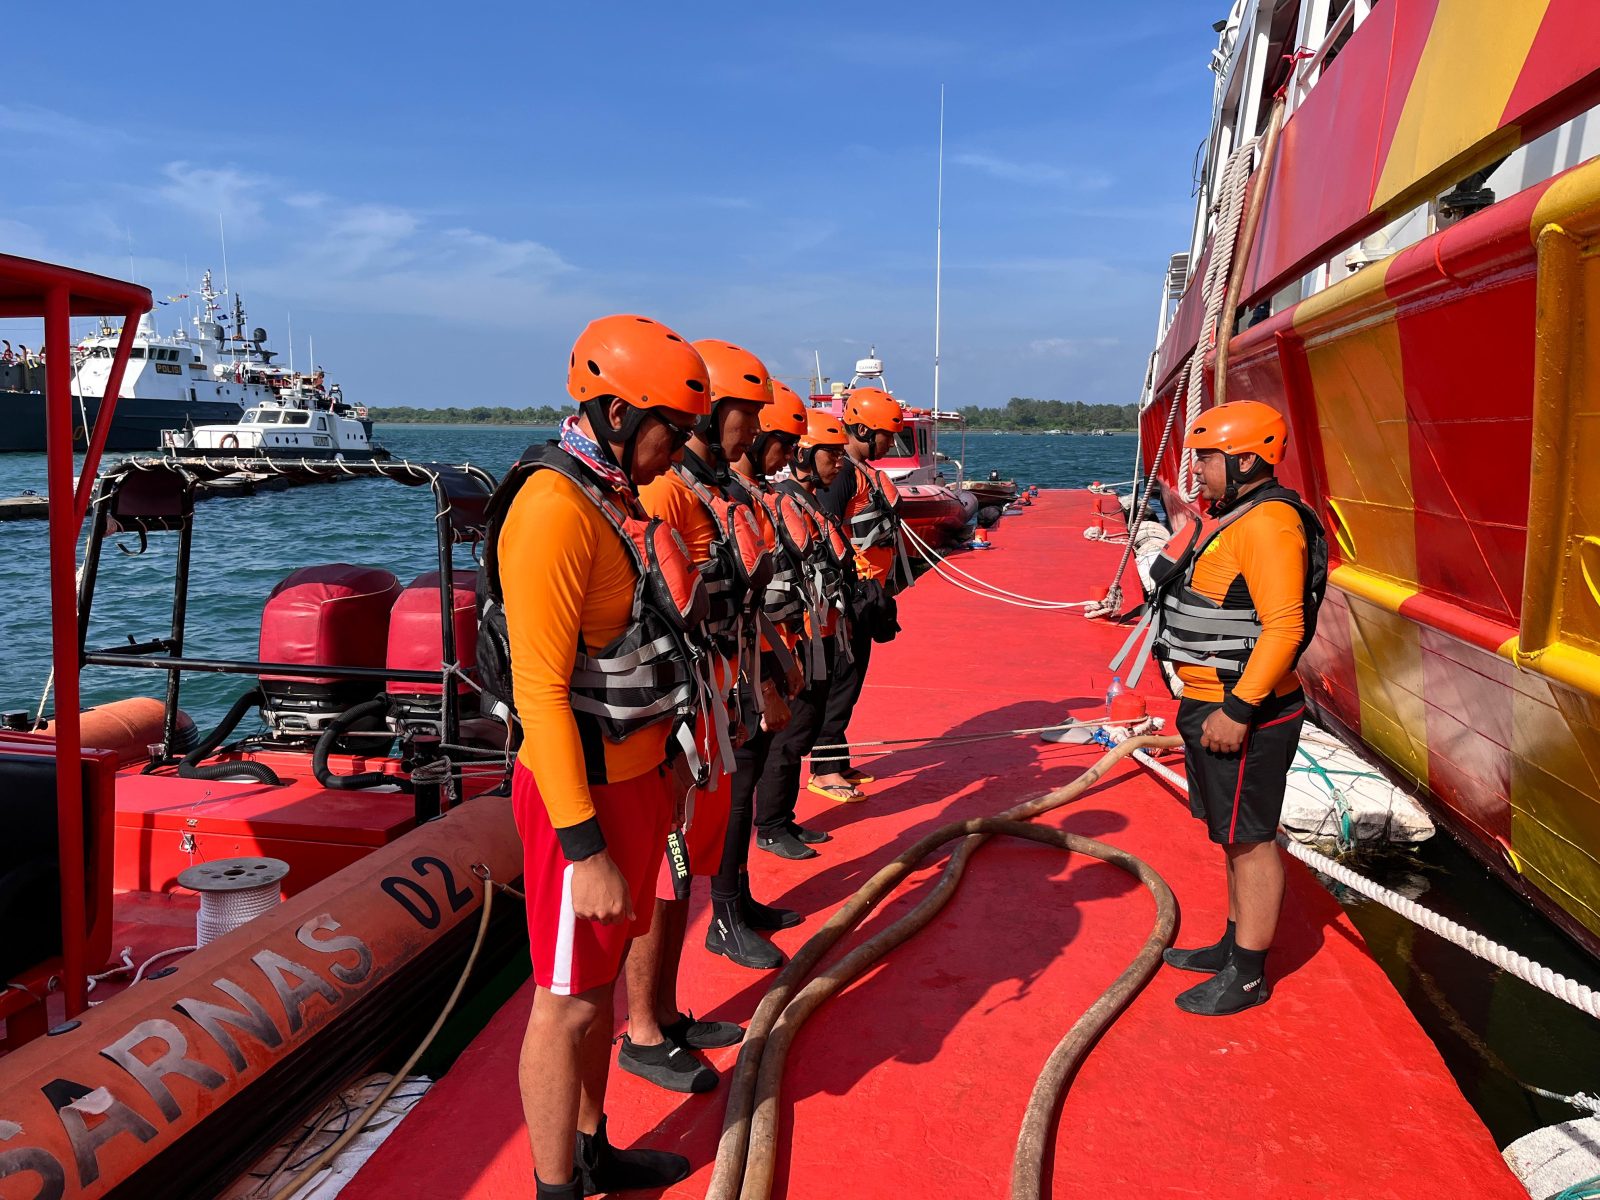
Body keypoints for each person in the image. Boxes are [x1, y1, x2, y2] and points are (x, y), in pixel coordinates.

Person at [483, 313, 712, 1198]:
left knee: (600, 988)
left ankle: (591, 1145)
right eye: (672, 431)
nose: (680, 452)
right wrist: (585, 853)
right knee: (567, 1001)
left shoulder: (607, 497)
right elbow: (540, 692)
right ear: (617, 414)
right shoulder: (552, 511)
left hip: (634, 781)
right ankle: (556, 1189)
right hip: (582, 799)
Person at [1125, 399, 1326, 1017]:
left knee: (1251, 839)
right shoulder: (1228, 516)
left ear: (1244, 459)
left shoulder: (1269, 524)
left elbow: (1285, 626)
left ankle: (1248, 974)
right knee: (1231, 836)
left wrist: (1237, 711)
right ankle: (1234, 944)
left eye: (1207, 458)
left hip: (1246, 712)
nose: (1198, 472)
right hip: (1208, 701)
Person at [624, 338, 780, 1089]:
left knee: (683, 873)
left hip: (713, 704)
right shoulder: (666, 495)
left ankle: (669, 1010)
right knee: (667, 872)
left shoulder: (702, 494)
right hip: (677, 724)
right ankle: (644, 1030)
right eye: (743, 415)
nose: (751, 431)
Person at [703, 378, 815, 965]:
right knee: (735, 793)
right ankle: (722, 914)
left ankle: (737, 898)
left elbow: (751, 600)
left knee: (743, 793)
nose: (754, 438)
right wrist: (764, 678)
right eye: (748, 424)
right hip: (723, 679)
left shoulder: (734, 492)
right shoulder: (681, 495)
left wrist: (778, 662)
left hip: (750, 665)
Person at [755, 407, 859, 858]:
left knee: (807, 728)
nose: (838, 463)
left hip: (823, 637)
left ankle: (786, 818)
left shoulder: (811, 504)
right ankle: (771, 825)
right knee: (788, 737)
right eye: (830, 455)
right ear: (803, 455)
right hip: (796, 641)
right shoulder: (781, 505)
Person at [811, 386, 913, 800]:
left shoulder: (863, 473)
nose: (890, 443)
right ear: (862, 430)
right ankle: (823, 770)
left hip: (870, 593)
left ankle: (837, 759)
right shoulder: (844, 476)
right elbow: (825, 530)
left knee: (852, 682)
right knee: (841, 681)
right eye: (886, 436)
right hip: (849, 596)